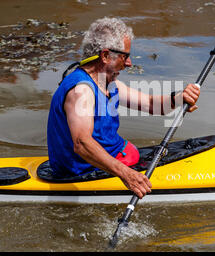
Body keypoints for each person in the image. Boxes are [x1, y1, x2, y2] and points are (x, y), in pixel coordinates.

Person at [47, 17, 200, 199]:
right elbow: (82, 144)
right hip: (84, 172)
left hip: (109, 161)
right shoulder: (81, 91)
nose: (128, 63)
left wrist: (179, 98)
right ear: (105, 56)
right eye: (124, 56)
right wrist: (127, 175)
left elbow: (151, 104)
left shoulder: (106, 82)